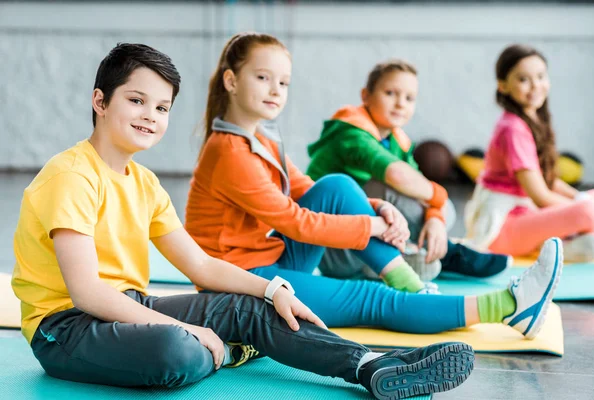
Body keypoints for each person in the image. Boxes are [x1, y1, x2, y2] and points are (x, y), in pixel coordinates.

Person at [10, 42, 477, 399]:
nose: (150, 116)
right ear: (100, 100)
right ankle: (227, 347)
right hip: (66, 327)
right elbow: (86, 293)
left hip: (131, 306)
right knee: (177, 351)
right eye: (137, 101)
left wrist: (271, 289)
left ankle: (372, 365)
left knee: (253, 308)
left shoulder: (144, 182)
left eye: (162, 107)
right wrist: (189, 329)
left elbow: (202, 268)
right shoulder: (70, 175)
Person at [185, 32, 563, 342]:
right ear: (231, 80)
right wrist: (373, 227)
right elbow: (295, 222)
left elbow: (306, 188)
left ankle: (412, 285)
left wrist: (375, 206)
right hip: (240, 283)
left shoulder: (261, 138)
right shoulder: (229, 151)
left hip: (269, 261)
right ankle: (510, 307)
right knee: (372, 299)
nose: (276, 90)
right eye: (263, 77)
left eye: (283, 81)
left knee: (337, 185)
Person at [305, 59, 511, 281]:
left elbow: (421, 186)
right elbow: (397, 175)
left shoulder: (396, 139)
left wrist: (435, 218)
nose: (400, 103)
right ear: (366, 96)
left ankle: (420, 256)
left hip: (361, 247)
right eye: (391, 93)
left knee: (443, 211)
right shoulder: (351, 132)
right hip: (327, 249)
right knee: (391, 190)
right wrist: (438, 198)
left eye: (409, 98)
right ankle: (449, 254)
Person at [464, 44, 594, 262]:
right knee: (590, 213)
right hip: (505, 228)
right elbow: (540, 195)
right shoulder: (512, 129)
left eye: (540, 76)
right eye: (523, 79)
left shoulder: (533, 120)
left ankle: (566, 244)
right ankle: (557, 244)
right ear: (503, 86)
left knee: (593, 203)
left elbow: (548, 181)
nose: (535, 86)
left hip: (528, 215)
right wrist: (584, 208)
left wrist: (579, 197)